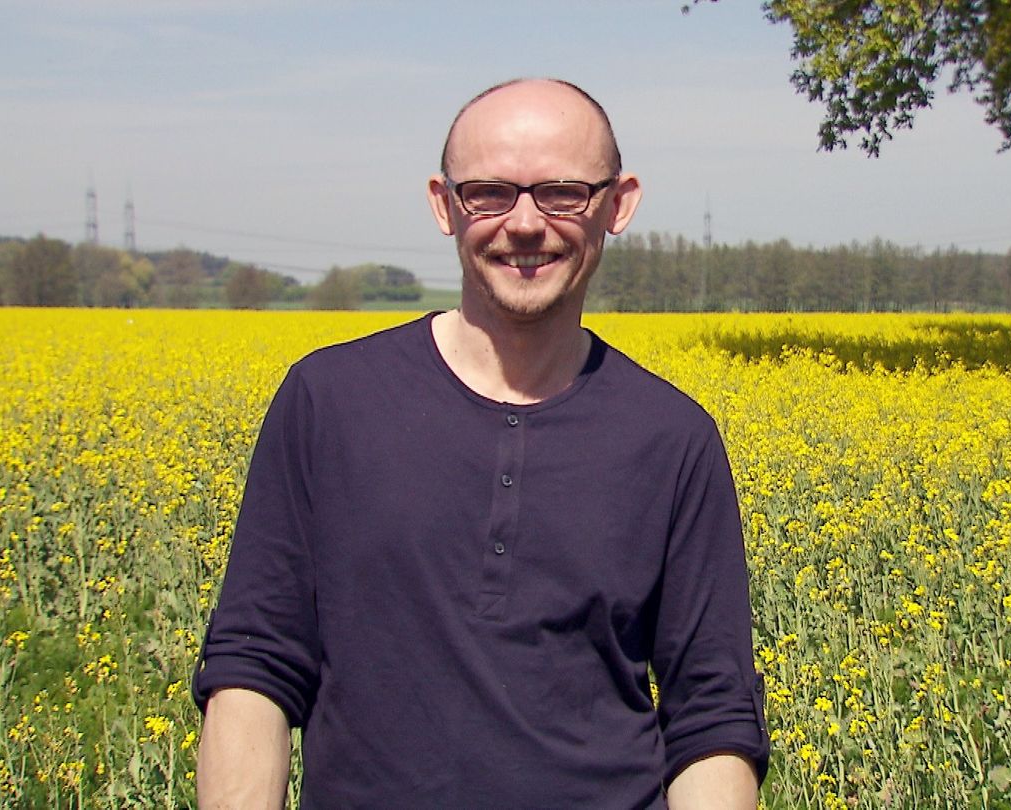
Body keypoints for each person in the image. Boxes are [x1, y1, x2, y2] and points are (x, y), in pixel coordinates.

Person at [193, 77, 768, 809]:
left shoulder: (674, 439)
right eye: (489, 193)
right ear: (444, 204)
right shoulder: (329, 401)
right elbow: (255, 664)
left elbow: (711, 715)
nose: (525, 224)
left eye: (562, 193)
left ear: (618, 204)